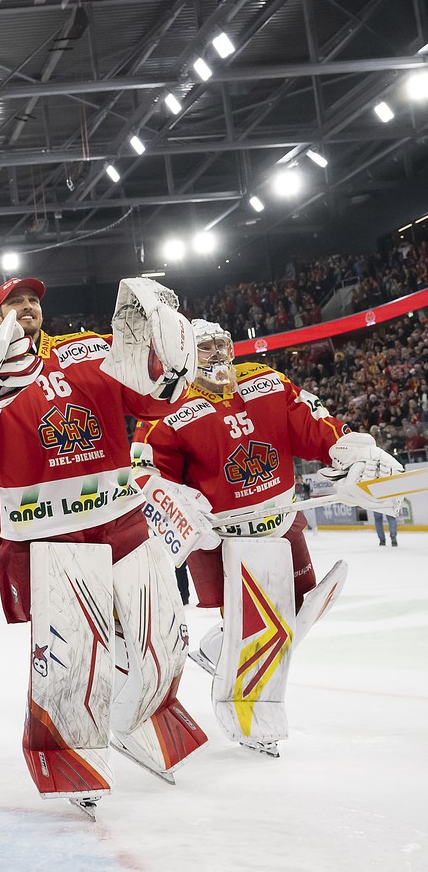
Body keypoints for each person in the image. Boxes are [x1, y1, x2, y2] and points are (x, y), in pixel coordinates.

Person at [0, 275, 207, 819]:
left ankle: (143, 727)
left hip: (120, 519)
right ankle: (74, 761)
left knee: (166, 636)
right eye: (15, 302)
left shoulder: (89, 350)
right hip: (47, 533)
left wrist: (164, 357)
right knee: (71, 659)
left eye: (34, 299)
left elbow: (151, 401)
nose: (28, 305)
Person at [133, 318, 404, 756]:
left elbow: (316, 427)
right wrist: (175, 501)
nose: (217, 354)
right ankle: (249, 710)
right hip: (220, 538)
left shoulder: (267, 383)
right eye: (204, 349)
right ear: (184, 356)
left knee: (296, 611)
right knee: (254, 626)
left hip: (279, 522)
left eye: (222, 344)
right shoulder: (166, 409)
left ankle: (218, 649)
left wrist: (348, 448)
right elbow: (145, 474)